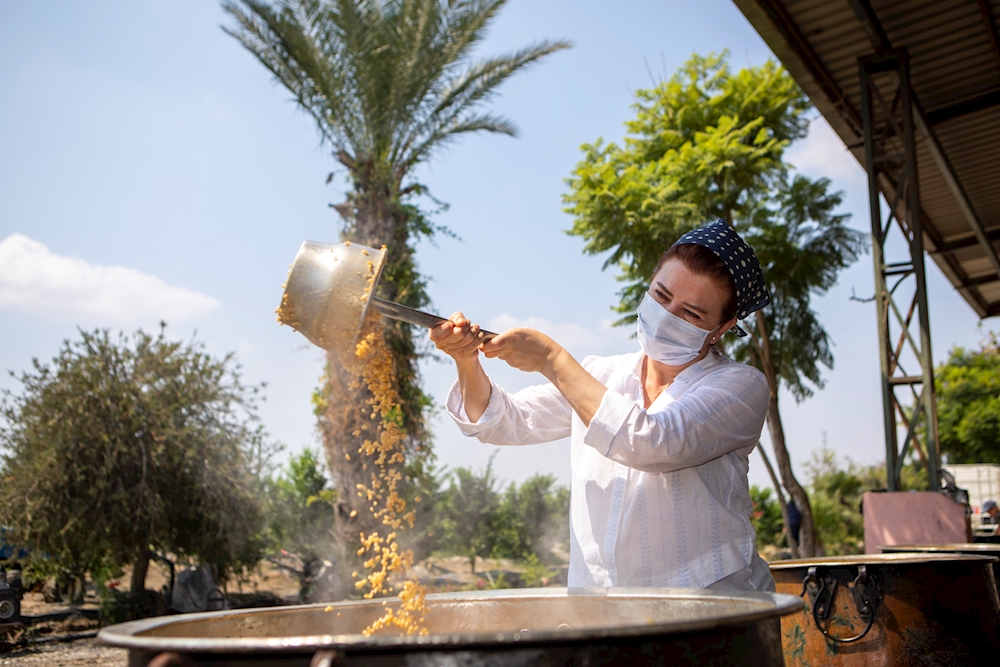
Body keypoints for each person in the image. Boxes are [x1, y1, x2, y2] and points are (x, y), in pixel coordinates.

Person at [430, 219, 774, 591]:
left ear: (722, 328)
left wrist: (551, 359)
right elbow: (504, 422)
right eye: (661, 295)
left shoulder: (740, 387)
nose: (667, 316)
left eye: (691, 313)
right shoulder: (602, 377)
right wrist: (466, 359)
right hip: (603, 613)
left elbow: (652, 441)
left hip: (709, 613)